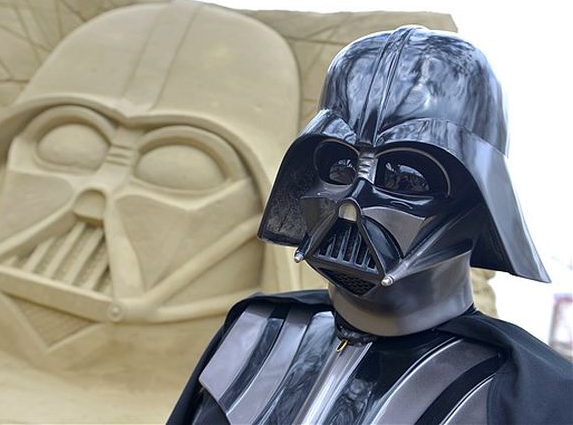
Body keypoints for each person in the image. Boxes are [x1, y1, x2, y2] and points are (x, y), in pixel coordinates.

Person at [168, 26, 573, 425]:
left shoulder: (534, 396)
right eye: (339, 166)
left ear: (479, 200)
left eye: (405, 177)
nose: (351, 205)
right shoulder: (253, 332)